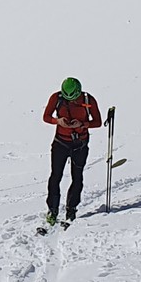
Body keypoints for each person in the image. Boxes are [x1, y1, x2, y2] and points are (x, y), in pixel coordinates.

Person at [42, 76, 102, 226]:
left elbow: (98, 122)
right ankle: (53, 210)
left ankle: (71, 209)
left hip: (79, 143)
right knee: (56, 176)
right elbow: (46, 117)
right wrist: (58, 121)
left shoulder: (88, 101)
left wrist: (82, 124)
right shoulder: (56, 98)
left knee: (77, 176)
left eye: (73, 98)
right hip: (60, 142)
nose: (70, 101)